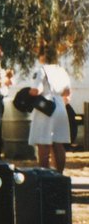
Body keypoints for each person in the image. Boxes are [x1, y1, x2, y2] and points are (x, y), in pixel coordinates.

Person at [27, 44, 71, 172]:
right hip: (60, 105)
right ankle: (60, 174)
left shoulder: (42, 70)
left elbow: (37, 90)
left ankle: (44, 175)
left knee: (43, 142)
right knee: (58, 143)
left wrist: (28, 92)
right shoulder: (62, 70)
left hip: (45, 107)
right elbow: (67, 92)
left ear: (43, 56)